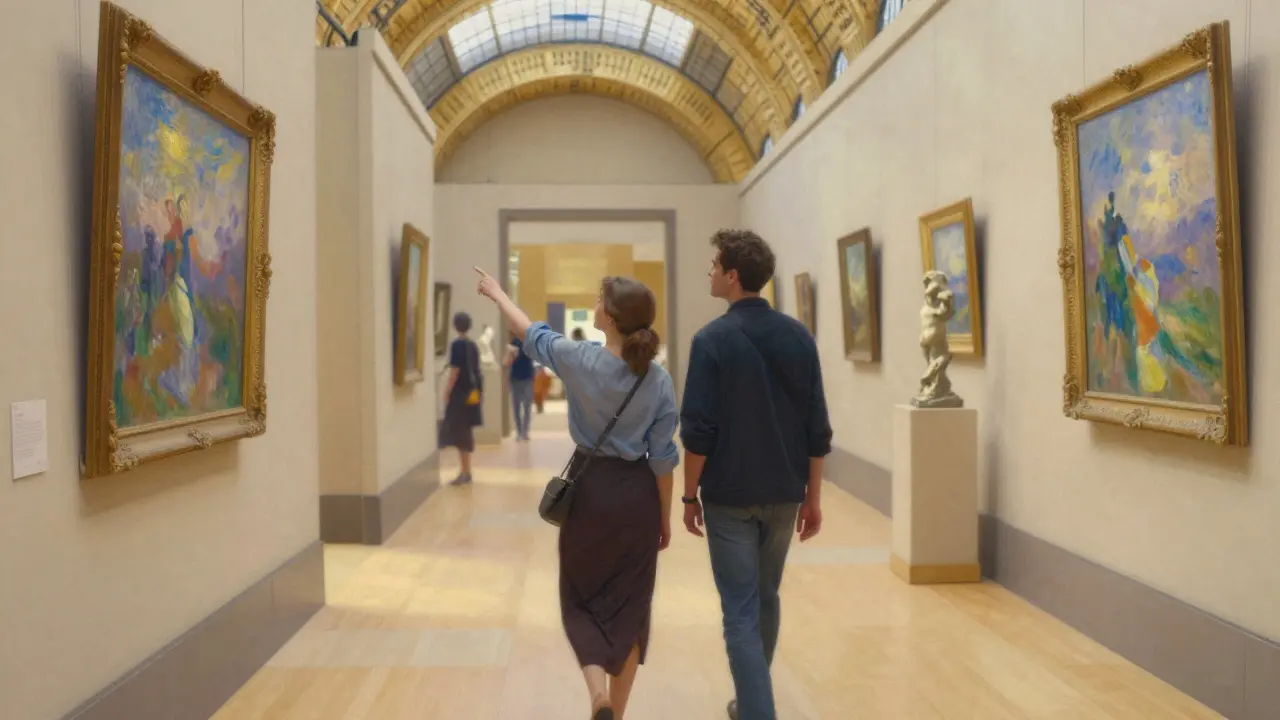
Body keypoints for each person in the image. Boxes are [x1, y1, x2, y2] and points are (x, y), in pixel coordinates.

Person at [474, 266, 679, 720]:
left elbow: (527, 331)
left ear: (608, 318)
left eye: (600, 300)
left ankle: (596, 695)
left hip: (590, 493)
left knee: (580, 596)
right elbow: (663, 460)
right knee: (630, 610)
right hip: (637, 497)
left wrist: (497, 293)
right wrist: (664, 516)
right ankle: (617, 714)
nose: (596, 304)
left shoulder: (578, 359)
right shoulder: (659, 380)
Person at [679, 230, 832, 720]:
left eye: (713, 263)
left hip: (729, 496)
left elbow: (698, 433)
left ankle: (756, 712)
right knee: (765, 597)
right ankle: (751, 702)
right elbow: (817, 427)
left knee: (740, 611)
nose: (708, 270)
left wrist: (687, 496)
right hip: (786, 494)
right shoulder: (799, 336)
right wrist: (814, 498)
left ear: (733, 275)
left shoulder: (710, 341)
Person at [440, 311, 483, 486]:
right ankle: (466, 470)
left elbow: (455, 370)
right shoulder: (473, 345)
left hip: (460, 395)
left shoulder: (457, 345)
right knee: (466, 431)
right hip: (472, 394)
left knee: (460, 432)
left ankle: (465, 471)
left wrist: (448, 390)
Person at [505, 330, 535, 441]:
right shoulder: (513, 343)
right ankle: (519, 431)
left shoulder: (529, 344)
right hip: (516, 378)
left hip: (527, 378)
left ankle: (524, 431)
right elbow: (508, 361)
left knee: (526, 406)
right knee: (517, 407)